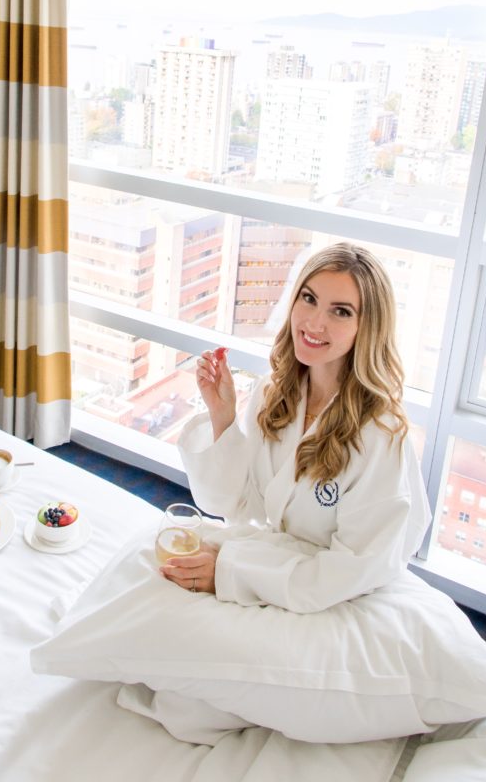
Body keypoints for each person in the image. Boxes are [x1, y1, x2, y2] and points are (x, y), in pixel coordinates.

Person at [159, 242, 431, 613]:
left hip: (331, 597)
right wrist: (223, 416)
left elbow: (354, 569)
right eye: (309, 298)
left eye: (340, 311)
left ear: (365, 328)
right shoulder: (274, 392)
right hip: (274, 568)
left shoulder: (380, 433)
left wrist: (230, 573)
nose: (315, 323)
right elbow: (242, 507)